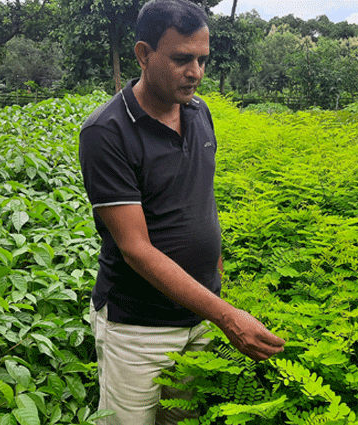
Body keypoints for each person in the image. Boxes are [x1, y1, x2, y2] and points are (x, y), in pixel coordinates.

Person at [77, 0, 285, 424]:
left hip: (202, 317)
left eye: (203, 59)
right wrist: (228, 316)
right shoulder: (107, 132)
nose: (196, 72)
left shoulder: (200, 113)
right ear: (143, 54)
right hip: (138, 329)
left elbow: (199, 199)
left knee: (181, 420)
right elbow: (135, 249)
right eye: (182, 59)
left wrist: (215, 282)